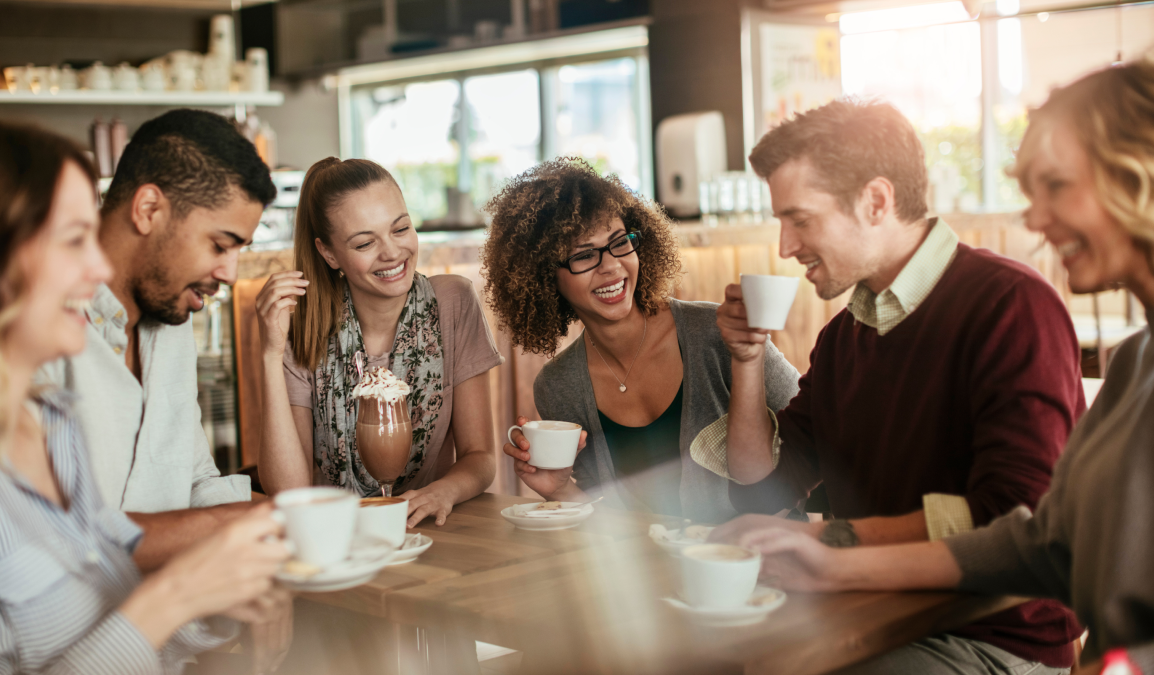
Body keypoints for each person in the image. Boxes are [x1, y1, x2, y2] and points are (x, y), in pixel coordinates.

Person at [713, 60, 1154, 675]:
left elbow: (1015, 517)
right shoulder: (846, 336)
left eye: (799, 218)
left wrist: (832, 545)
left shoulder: (1009, 305)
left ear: (875, 202)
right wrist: (747, 358)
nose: (785, 246)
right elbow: (760, 489)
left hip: (990, 635)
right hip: (871, 609)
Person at [0, 115, 290, 674]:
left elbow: (104, 554)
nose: (96, 267)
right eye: (73, 239)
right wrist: (184, 589)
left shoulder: (51, 423)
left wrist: (268, 544)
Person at [481, 158, 799, 522]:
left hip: (764, 557)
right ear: (544, 278)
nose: (612, 266)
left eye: (620, 243)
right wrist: (560, 490)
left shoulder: (717, 331)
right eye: (584, 255)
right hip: (657, 571)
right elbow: (611, 526)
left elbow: (814, 432)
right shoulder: (559, 386)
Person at [257, 158, 502, 528]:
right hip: (333, 537)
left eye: (400, 228)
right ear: (328, 254)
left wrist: (443, 491)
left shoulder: (452, 303)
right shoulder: (303, 327)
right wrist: (270, 355)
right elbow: (288, 492)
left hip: (426, 532)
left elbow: (480, 455)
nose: (391, 252)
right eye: (365, 242)